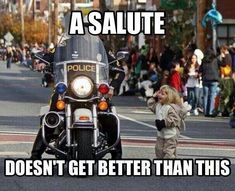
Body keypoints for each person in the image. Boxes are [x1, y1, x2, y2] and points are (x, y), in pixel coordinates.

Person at [31, 39, 124, 160]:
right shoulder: (65, 45)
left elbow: (119, 70)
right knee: (52, 117)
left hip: (93, 89)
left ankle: (117, 157)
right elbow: (50, 56)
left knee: (109, 117)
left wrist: (113, 86)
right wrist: (43, 62)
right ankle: (35, 155)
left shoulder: (99, 47)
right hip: (68, 88)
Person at [147, 85, 187, 158]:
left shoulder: (171, 107)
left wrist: (163, 123)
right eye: (159, 93)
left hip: (171, 134)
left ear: (169, 97)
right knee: (158, 150)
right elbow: (150, 105)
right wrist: (153, 97)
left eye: (162, 94)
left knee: (168, 151)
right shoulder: (158, 105)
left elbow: (175, 119)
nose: (159, 95)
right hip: (161, 134)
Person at [199, 50, 220, 117]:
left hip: (205, 79)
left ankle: (206, 112)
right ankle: (210, 111)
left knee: (205, 96)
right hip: (214, 79)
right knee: (212, 96)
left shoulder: (204, 60)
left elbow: (200, 69)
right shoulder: (215, 60)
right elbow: (224, 64)